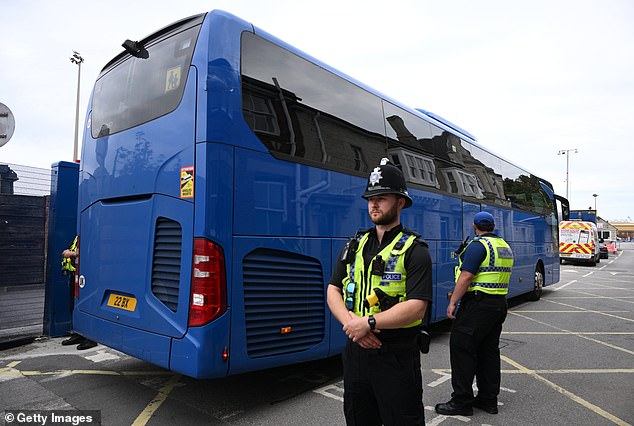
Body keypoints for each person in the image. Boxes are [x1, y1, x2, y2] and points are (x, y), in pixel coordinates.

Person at [327, 158, 432, 426]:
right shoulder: (355, 244)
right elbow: (333, 290)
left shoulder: (415, 250)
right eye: (370, 198)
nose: (374, 204)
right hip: (356, 354)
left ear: (400, 202)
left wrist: (369, 323)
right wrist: (353, 326)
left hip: (395, 355)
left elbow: (417, 306)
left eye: (382, 198)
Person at [435, 211, 514, 416]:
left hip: (477, 305)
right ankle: (488, 400)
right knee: (488, 352)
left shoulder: (478, 246)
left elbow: (466, 276)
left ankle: (461, 402)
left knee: (462, 349)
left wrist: (453, 302)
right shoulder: (503, 246)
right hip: (498, 304)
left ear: (474, 226)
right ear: (494, 226)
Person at [61, 236, 97, 351]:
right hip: (76, 276)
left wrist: (71, 254)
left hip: (87, 276)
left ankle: (91, 338)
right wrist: (68, 252)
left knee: (88, 306)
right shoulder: (78, 236)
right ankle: (78, 333)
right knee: (74, 306)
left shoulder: (92, 233)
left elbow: (90, 253)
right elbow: (70, 249)